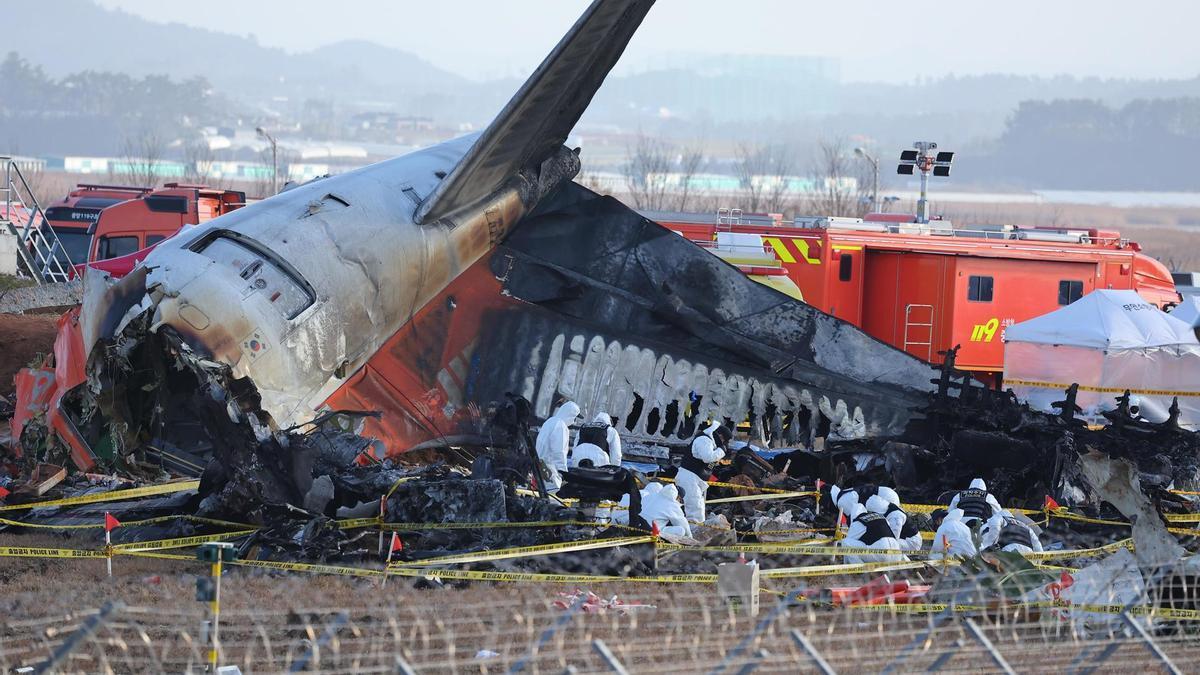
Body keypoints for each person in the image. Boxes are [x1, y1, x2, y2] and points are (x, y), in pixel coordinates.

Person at [675, 421, 730, 524]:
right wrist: (721, 451)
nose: (722, 443)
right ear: (720, 435)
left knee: (696, 506)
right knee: (695, 509)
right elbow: (707, 458)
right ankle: (694, 532)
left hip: (696, 479)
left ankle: (693, 529)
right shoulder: (704, 440)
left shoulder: (710, 443)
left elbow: (709, 466)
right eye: (723, 440)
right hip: (689, 477)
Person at [840, 499, 906, 564]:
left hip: (880, 555)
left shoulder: (857, 522)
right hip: (896, 554)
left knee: (845, 542)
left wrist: (845, 563)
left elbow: (849, 542)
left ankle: (859, 571)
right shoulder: (880, 516)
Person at [534, 400, 579, 493]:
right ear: (570, 415)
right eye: (574, 418)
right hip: (550, 470)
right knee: (554, 498)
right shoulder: (561, 426)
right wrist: (564, 474)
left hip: (540, 466)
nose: (574, 422)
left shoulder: (550, 421)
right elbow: (559, 452)